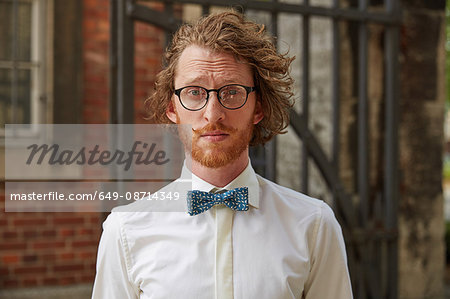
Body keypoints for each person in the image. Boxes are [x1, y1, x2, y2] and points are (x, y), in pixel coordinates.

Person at [92, 10, 353, 299]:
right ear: (172, 109)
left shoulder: (314, 226)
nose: (212, 114)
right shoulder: (125, 231)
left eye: (231, 92)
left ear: (258, 107)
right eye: (194, 92)